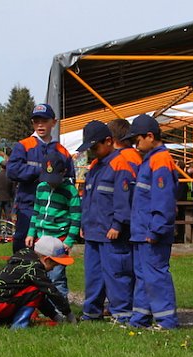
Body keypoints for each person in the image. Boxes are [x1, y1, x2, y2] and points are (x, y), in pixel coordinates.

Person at [78, 120, 136, 323]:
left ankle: (121, 313)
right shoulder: (95, 166)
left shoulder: (120, 164)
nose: (93, 152)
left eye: (95, 147)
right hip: (93, 230)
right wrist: (84, 224)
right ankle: (91, 312)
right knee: (93, 275)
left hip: (111, 233)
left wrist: (117, 224)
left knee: (116, 274)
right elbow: (87, 199)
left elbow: (123, 199)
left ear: (109, 141)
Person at [127, 114, 179, 330]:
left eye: (137, 140)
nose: (135, 145)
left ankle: (167, 321)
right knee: (143, 276)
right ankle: (140, 319)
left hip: (151, 231)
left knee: (156, 276)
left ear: (149, 136)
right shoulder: (150, 159)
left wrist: (156, 229)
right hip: (142, 230)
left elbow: (163, 199)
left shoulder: (160, 160)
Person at [0, 235, 75, 329]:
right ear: (46, 259)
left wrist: (54, 316)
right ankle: (19, 326)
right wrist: (68, 314)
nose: (53, 269)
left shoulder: (22, 259)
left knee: (33, 290)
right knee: (37, 290)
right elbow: (51, 292)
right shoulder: (35, 269)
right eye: (54, 265)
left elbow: (39, 300)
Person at [7, 103, 75, 253]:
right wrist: (42, 172)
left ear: (54, 122)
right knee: (24, 252)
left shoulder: (62, 152)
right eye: (36, 121)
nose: (40, 125)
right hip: (28, 207)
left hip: (55, 212)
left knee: (52, 256)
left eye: (44, 120)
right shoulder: (23, 146)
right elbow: (12, 171)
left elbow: (70, 181)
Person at [25, 149, 81, 303]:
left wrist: (69, 241)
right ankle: (43, 305)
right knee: (40, 274)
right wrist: (31, 233)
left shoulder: (70, 191)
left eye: (54, 178)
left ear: (64, 172)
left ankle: (60, 305)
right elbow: (36, 212)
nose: (51, 182)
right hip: (41, 238)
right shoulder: (41, 187)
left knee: (56, 276)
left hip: (59, 240)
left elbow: (76, 218)